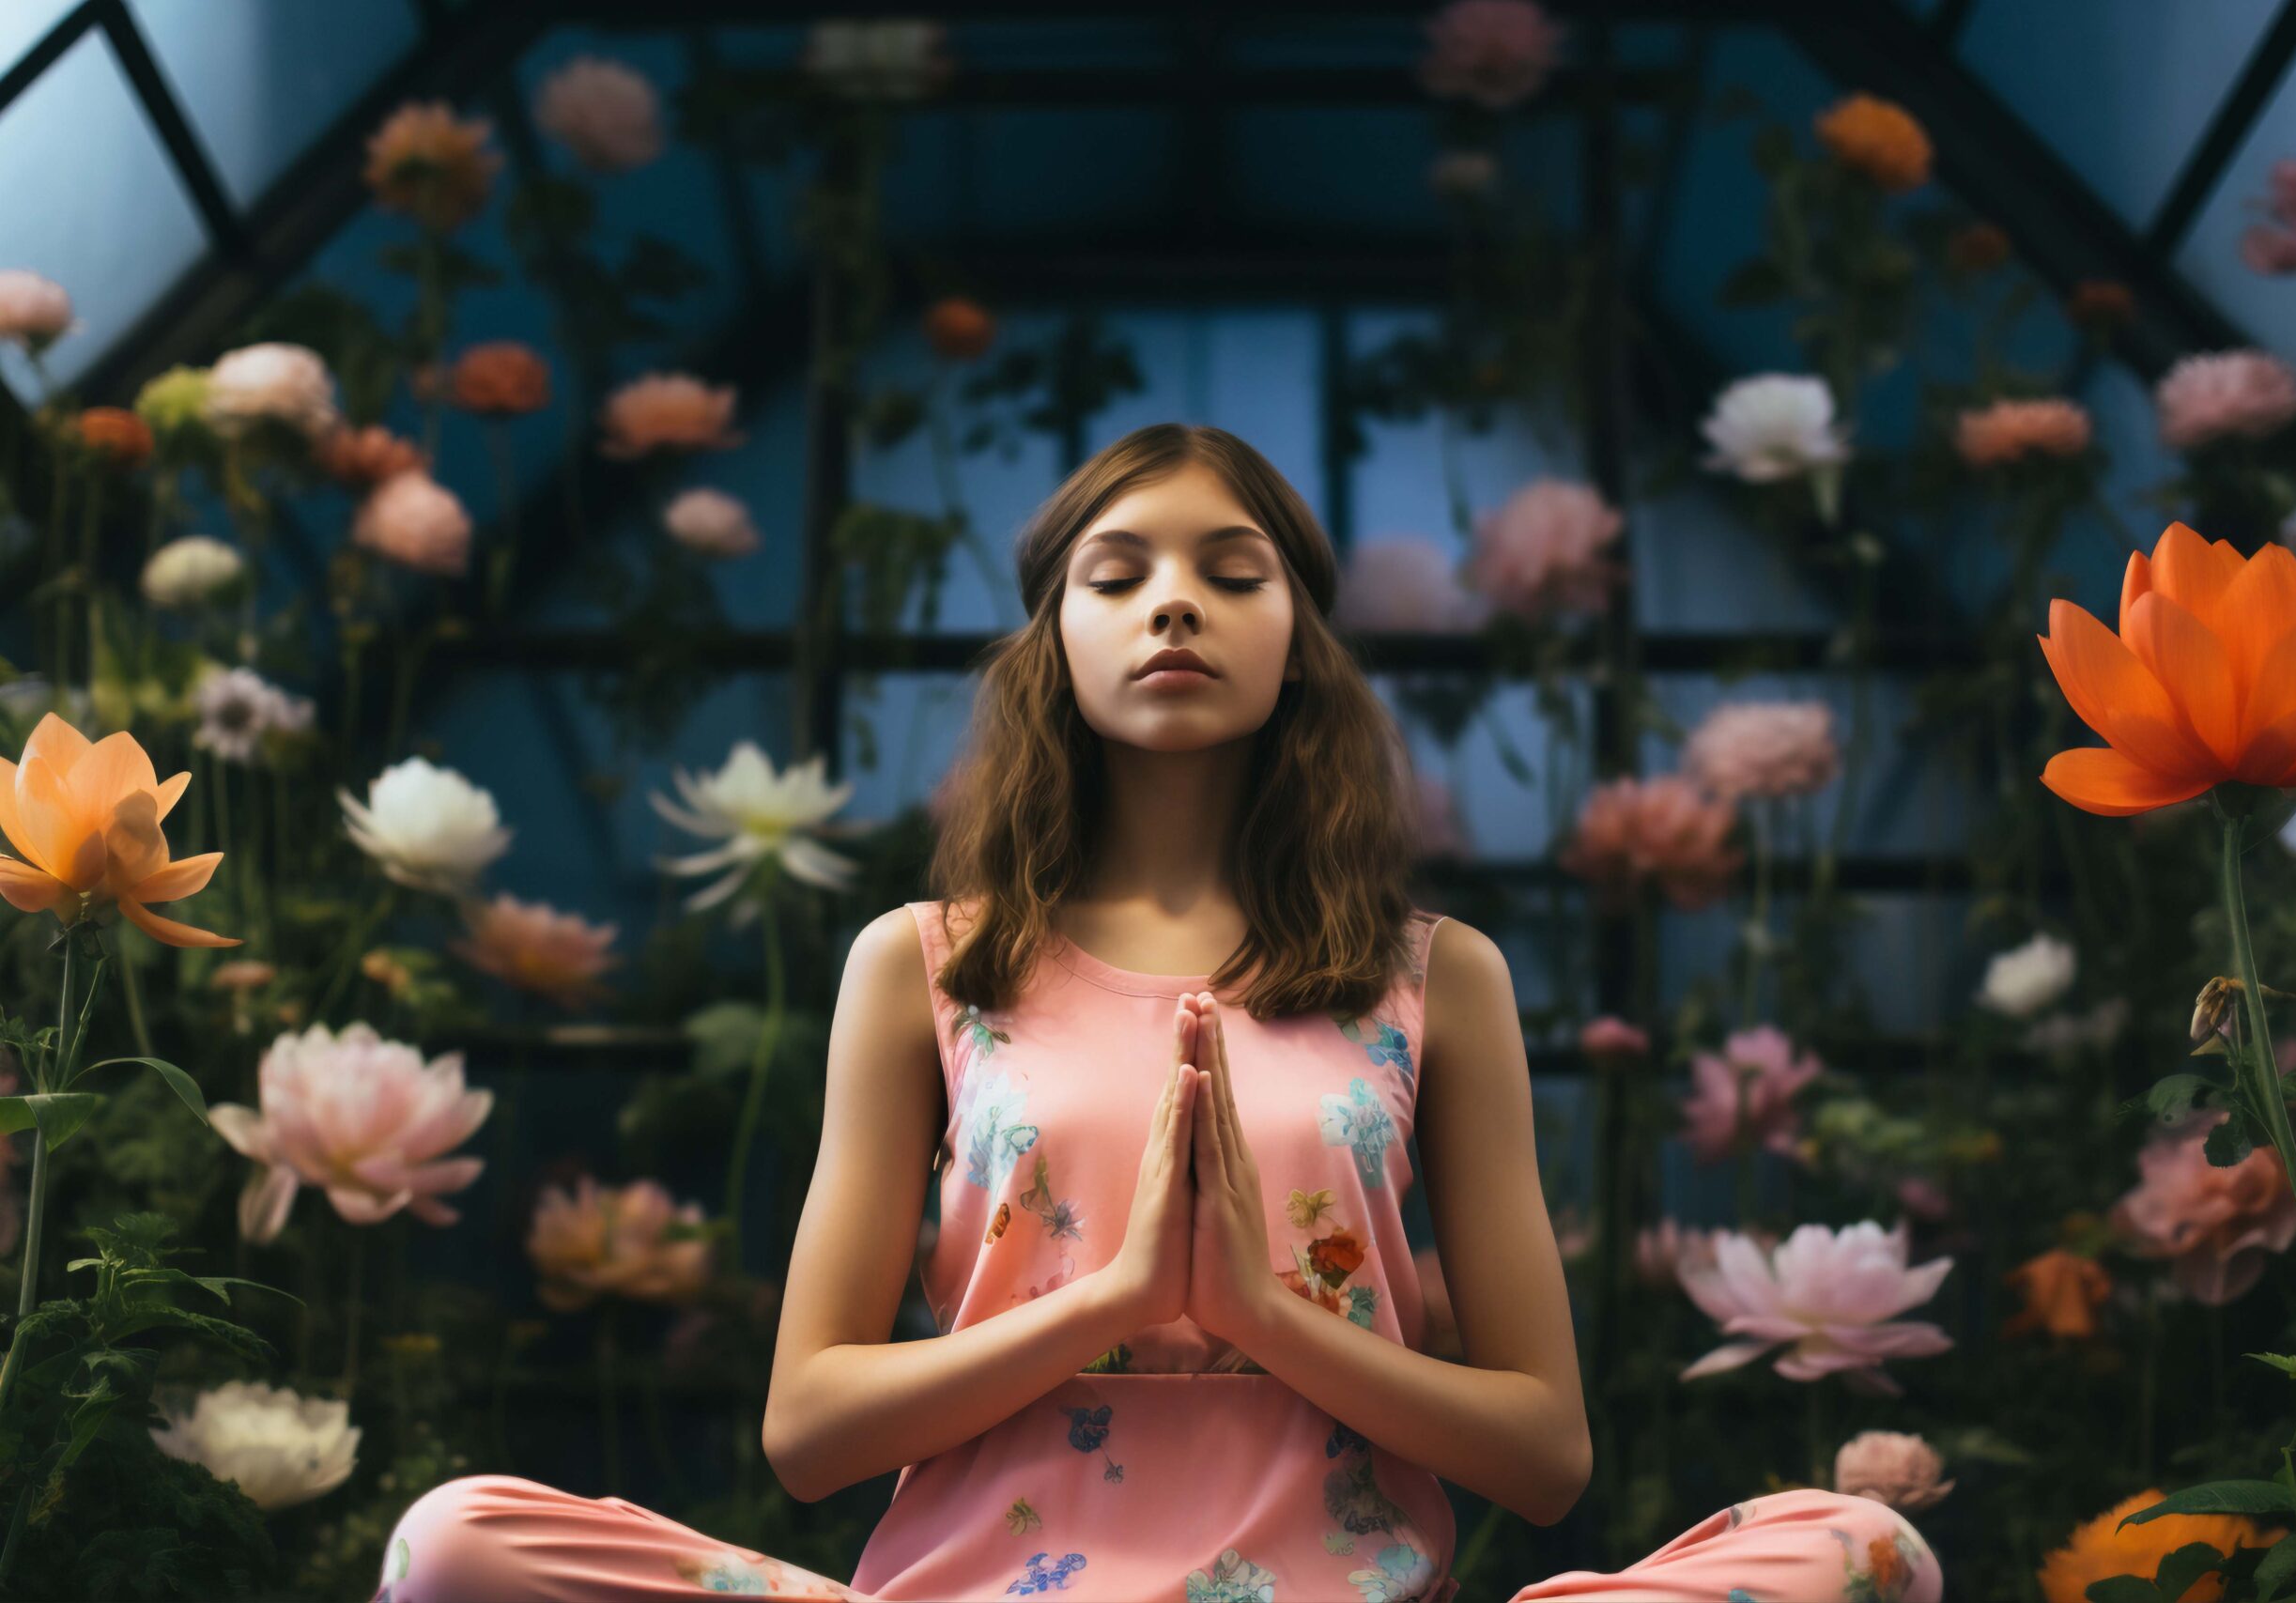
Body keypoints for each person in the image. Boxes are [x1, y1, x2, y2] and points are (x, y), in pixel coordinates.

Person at [373, 423, 1940, 1602]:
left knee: (1861, 1553)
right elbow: (808, 1428)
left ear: (1296, 637)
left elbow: (1545, 1458)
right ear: (1055, 635)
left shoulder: (1434, 976)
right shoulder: (920, 963)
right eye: (1117, 577)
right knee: (460, 1547)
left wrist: (1261, 1315)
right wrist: (1114, 1301)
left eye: (1228, 573)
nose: (1172, 607)